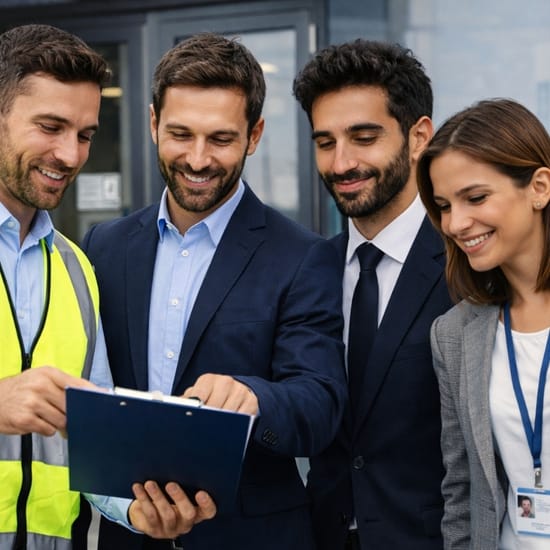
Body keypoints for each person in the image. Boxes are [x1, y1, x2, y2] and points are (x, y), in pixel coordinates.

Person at [81, 32, 347, 550]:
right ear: (154, 122)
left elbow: (320, 406)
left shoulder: (303, 255)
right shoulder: (103, 247)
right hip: (127, 533)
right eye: (181, 134)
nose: (198, 159)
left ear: (255, 135)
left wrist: (254, 397)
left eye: (221, 139)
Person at [292, 39, 453, 550]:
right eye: (325, 142)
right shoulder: (307, 267)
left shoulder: (466, 267)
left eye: (363, 137)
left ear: (418, 136)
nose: (341, 163)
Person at [0, 23, 115, 549]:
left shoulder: (77, 267)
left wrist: (144, 509)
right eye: (50, 127)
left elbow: (98, 440)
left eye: (85, 135)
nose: (70, 155)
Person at [417, 97, 550, 549]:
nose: (456, 223)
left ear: (539, 187)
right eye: (443, 205)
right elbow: (461, 491)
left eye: (475, 198)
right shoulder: (453, 334)